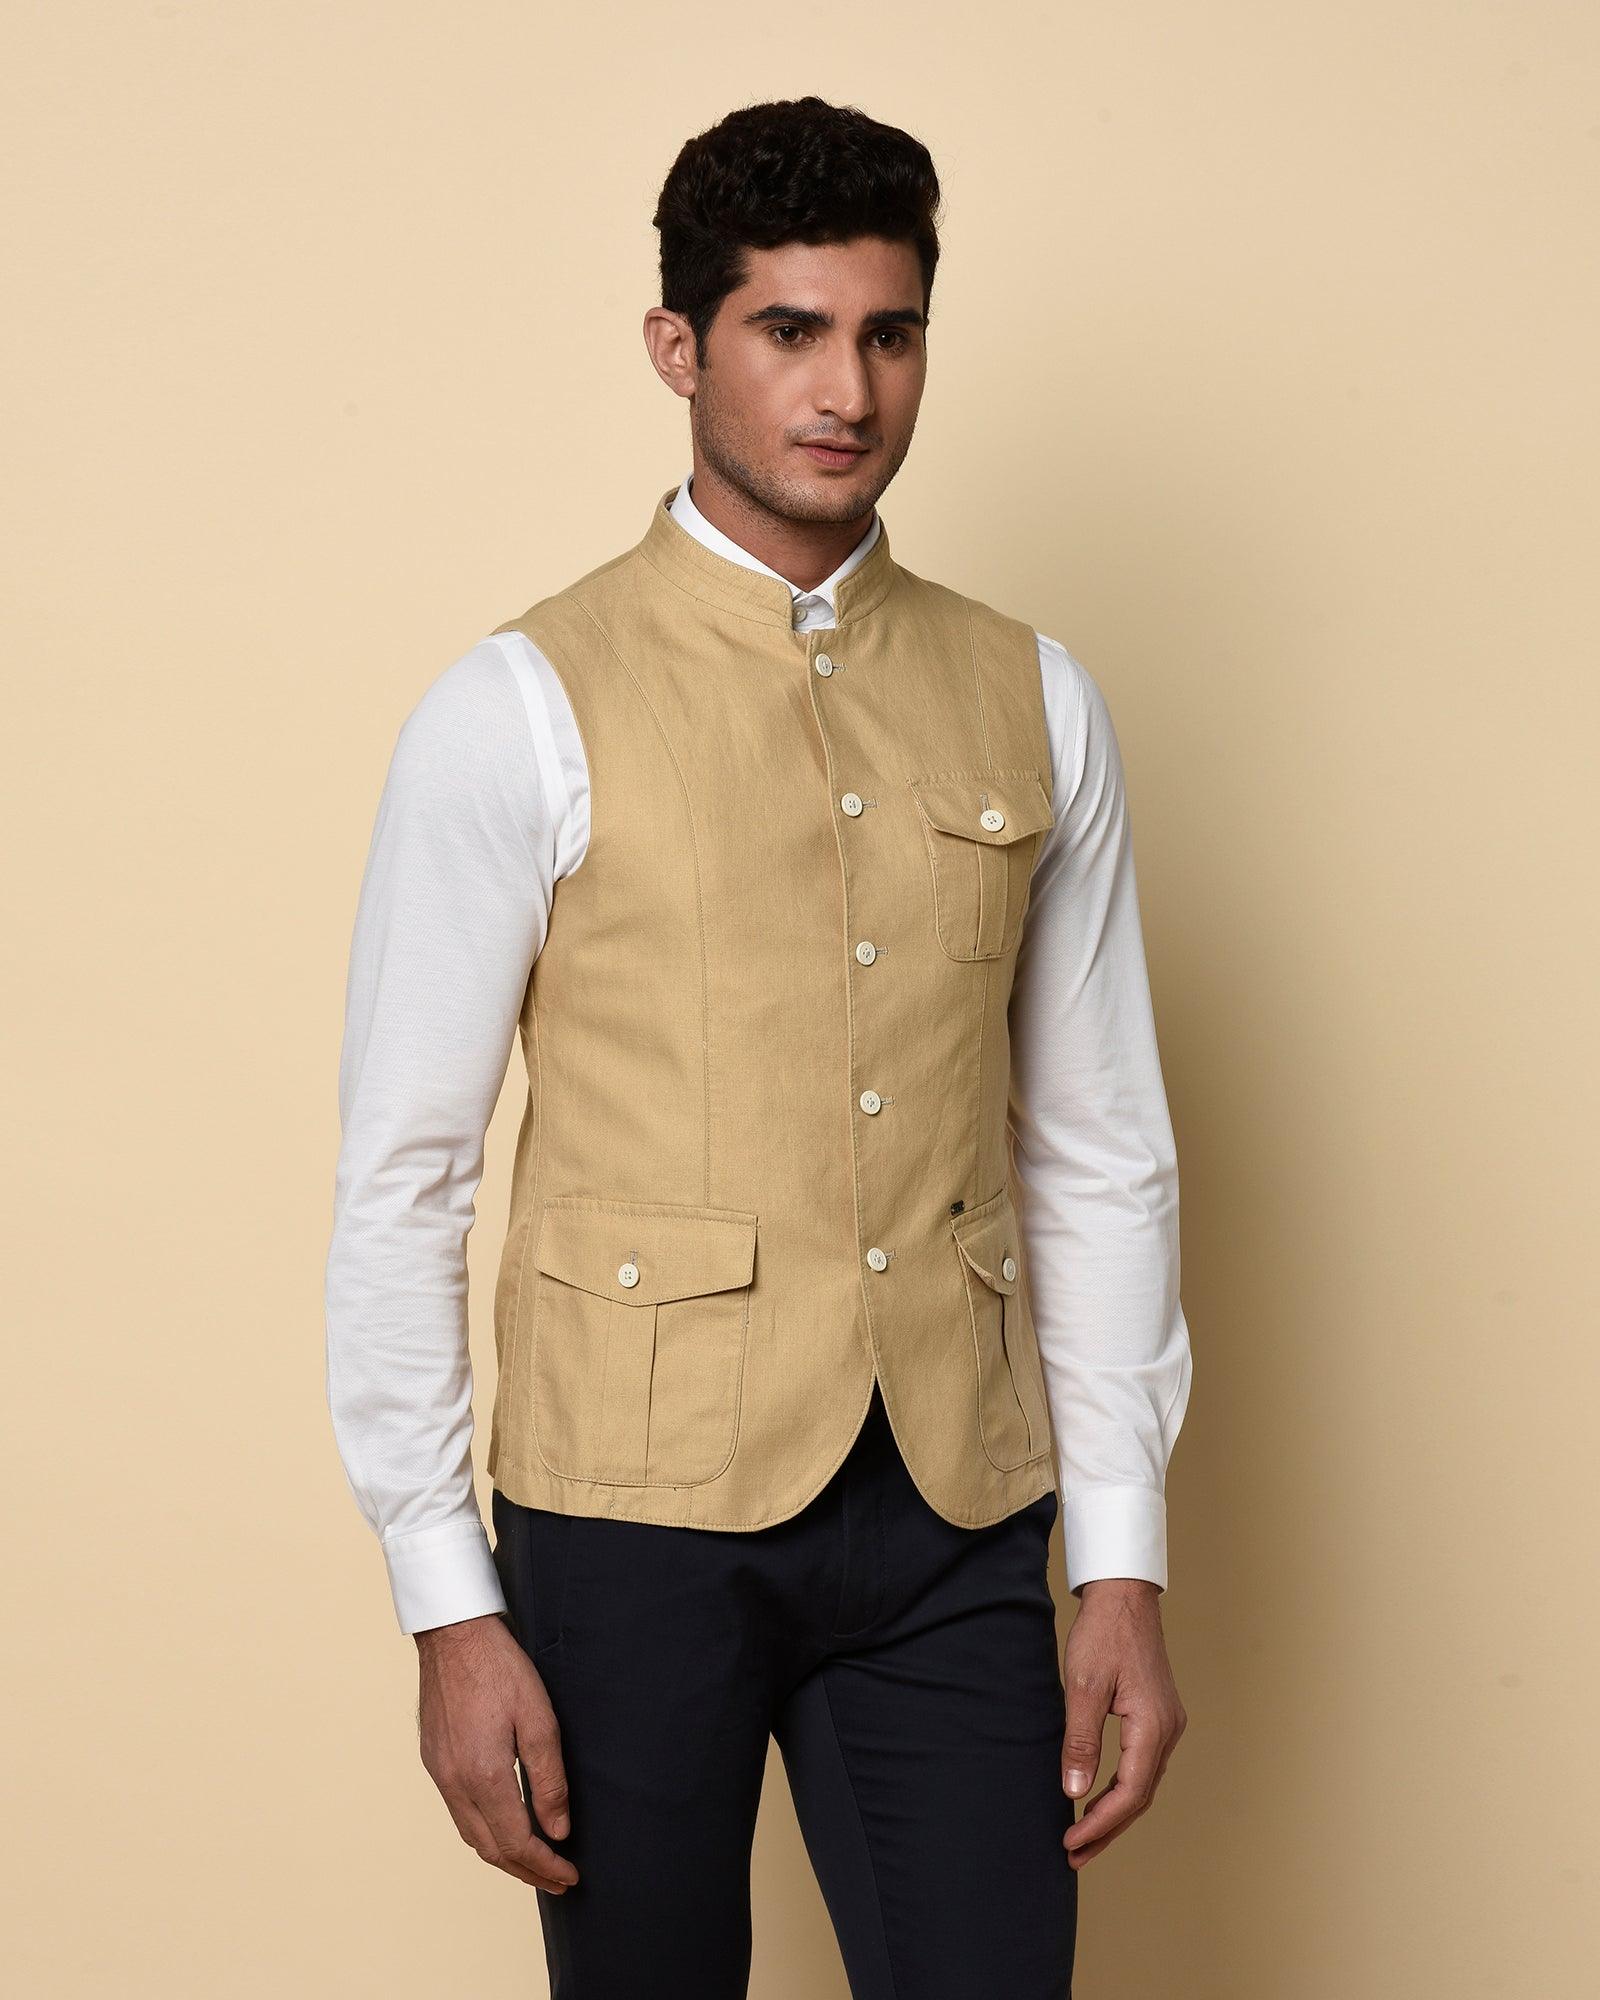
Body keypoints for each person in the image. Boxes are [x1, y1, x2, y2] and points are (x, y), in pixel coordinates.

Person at [325, 93, 1193, 1999]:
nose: (846, 391)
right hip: (627, 1522)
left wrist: (1122, 1558)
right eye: (788, 330)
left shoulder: (1035, 695)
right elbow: (406, 1176)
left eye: (889, 334)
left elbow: (1100, 1147)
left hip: (955, 1509)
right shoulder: (518, 706)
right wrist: (445, 1602)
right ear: (679, 347)